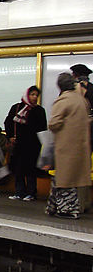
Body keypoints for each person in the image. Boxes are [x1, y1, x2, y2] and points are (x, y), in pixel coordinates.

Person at [46, 73, 92, 219]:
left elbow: (54, 123)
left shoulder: (63, 101)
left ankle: (68, 210)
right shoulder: (82, 101)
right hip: (81, 146)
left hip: (66, 146)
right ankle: (52, 206)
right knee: (62, 178)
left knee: (66, 181)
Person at [4, 86, 47, 201]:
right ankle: (19, 192)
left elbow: (42, 128)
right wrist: (10, 137)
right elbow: (8, 122)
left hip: (33, 145)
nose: (34, 97)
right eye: (32, 94)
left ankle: (31, 193)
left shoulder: (39, 110)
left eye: (36, 95)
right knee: (18, 169)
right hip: (19, 144)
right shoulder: (17, 108)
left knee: (31, 169)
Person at [70, 63, 93, 149]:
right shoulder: (91, 87)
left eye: (73, 73)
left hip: (76, 128)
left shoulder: (71, 89)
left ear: (76, 75)